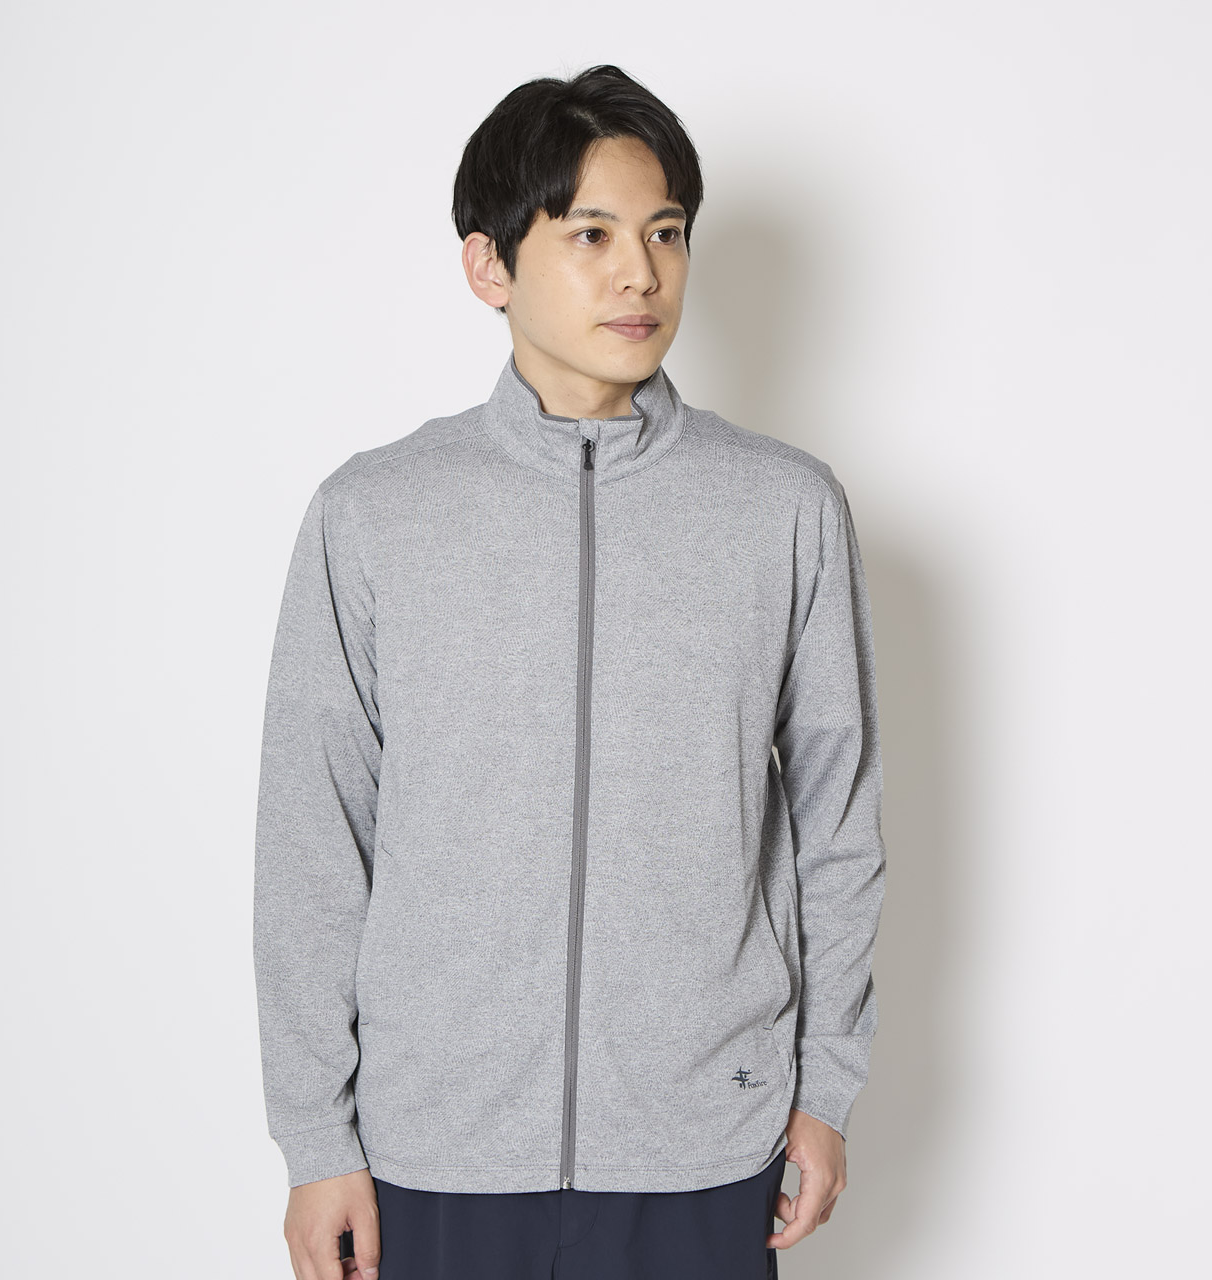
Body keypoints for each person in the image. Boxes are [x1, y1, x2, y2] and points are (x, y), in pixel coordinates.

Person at [253, 63, 887, 1280]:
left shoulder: (782, 509)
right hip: (435, 1146)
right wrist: (315, 1137)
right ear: (488, 264)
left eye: (665, 232)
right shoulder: (376, 513)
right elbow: (311, 839)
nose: (639, 272)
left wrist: (825, 1087)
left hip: (706, 1140)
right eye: (590, 233)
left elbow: (837, 822)